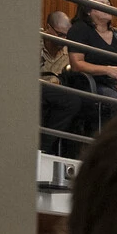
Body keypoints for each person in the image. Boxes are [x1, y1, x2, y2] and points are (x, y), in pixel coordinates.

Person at [65, 0, 117, 133]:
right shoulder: (79, 29)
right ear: (88, 10)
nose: (107, 7)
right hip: (94, 84)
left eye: (108, 4)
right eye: (102, 4)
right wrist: (108, 70)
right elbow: (77, 64)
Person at [39, 11, 91, 156]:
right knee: (71, 101)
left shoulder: (69, 50)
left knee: (78, 102)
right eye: (60, 34)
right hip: (35, 86)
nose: (63, 40)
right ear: (48, 28)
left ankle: (51, 150)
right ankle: (43, 147)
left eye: (67, 36)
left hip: (58, 91)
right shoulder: (34, 42)